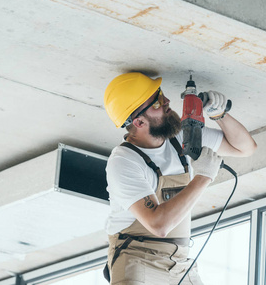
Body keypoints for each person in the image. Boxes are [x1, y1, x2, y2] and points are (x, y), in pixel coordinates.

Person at [103, 72, 257, 284]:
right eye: (157, 102)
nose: (166, 101)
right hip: (137, 259)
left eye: (161, 94)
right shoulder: (124, 161)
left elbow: (245, 148)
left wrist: (219, 114)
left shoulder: (179, 139)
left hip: (180, 263)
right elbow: (158, 224)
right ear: (139, 122)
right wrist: (203, 177)